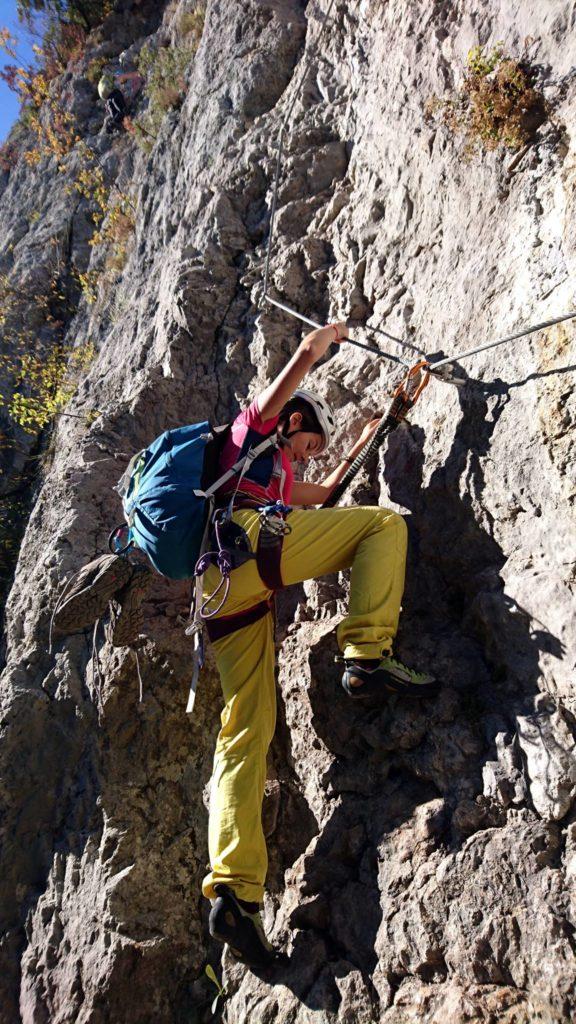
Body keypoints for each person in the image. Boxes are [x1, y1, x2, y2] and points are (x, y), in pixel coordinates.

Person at [203, 321, 438, 969]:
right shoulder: (249, 435)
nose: (310, 452)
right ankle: (367, 652)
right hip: (255, 547)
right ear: (293, 422)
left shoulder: (271, 475)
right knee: (384, 527)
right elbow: (291, 376)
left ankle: (233, 891)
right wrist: (318, 344)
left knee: (244, 729)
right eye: (310, 439)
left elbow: (328, 493)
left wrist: (384, 420)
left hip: (223, 593)